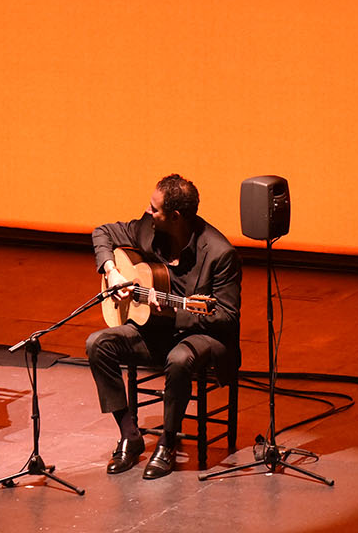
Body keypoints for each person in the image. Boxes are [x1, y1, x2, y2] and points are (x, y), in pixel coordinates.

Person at [85, 174, 241, 479]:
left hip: (203, 335)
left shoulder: (221, 254)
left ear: (176, 217)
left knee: (179, 359)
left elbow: (225, 317)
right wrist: (112, 271)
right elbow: (102, 233)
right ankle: (130, 436)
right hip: (155, 330)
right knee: (98, 344)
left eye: (155, 209)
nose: (148, 211)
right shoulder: (148, 227)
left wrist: (174, 312)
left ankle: (168, 443)